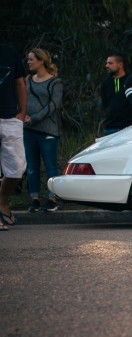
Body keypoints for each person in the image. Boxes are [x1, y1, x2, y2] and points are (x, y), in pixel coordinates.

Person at [24, 48, 63, 213]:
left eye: (31, 59)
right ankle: (34, 199)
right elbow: (22, 98)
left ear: (41, 61)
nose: (28, 62)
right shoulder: (28, 80)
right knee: (32, 166)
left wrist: (35, 118)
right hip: (28, 129)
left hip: (48, 130)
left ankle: (52, 198)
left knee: (50, 164)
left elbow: (54, 105)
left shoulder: (55, 82)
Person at [0, 43, 28, 230]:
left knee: (17, 168)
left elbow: (19, 83)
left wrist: (22, 112)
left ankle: (2, 201)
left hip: (10, 117)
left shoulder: (9, 52)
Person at [101, 53, 131, 135]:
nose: (107, 66)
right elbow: (105, 105)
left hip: (129, 127)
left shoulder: (131, 81)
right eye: (107, 63)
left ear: (120, 65)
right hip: (110, 128)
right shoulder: (105, 84)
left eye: (110, 63)